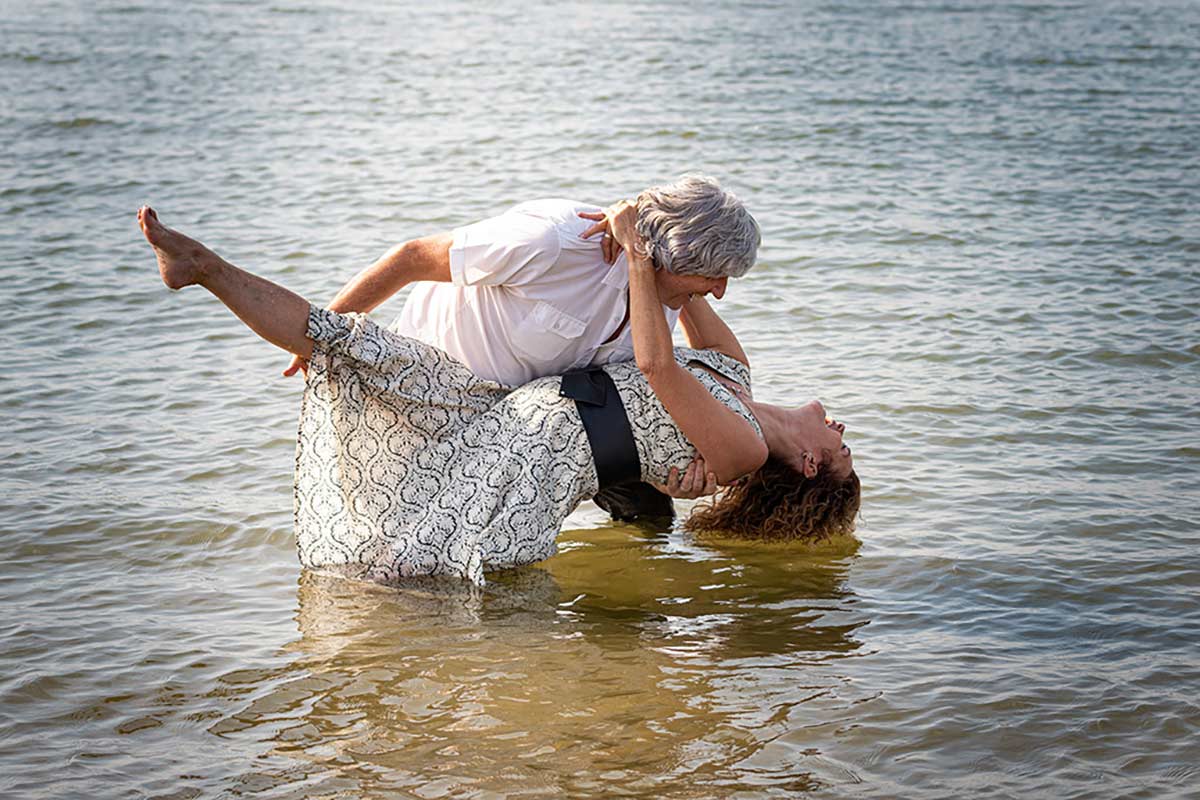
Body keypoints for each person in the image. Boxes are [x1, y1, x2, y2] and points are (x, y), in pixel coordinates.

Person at [137, 201, 860, 587]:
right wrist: (643, 225)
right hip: (525, 405)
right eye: (715, 279)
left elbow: (659, 364)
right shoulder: (736, 370)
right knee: (345, 339)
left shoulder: (736, 453)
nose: (840, 428)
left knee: (437, 573)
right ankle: (203, 267)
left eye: (843, 449)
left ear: (807, 467)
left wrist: (637, 253)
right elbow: (686, 293)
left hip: (539, 457)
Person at [281, 175, 763, 520]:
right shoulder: (554, 241)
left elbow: (704, 367)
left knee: (650, 517)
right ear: (663, 256)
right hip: (437, 393)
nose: (719, 291)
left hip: (535, 418)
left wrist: (673, 474)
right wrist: (317, 340)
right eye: (712, 277)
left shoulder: (666, 291)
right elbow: (409, 258)